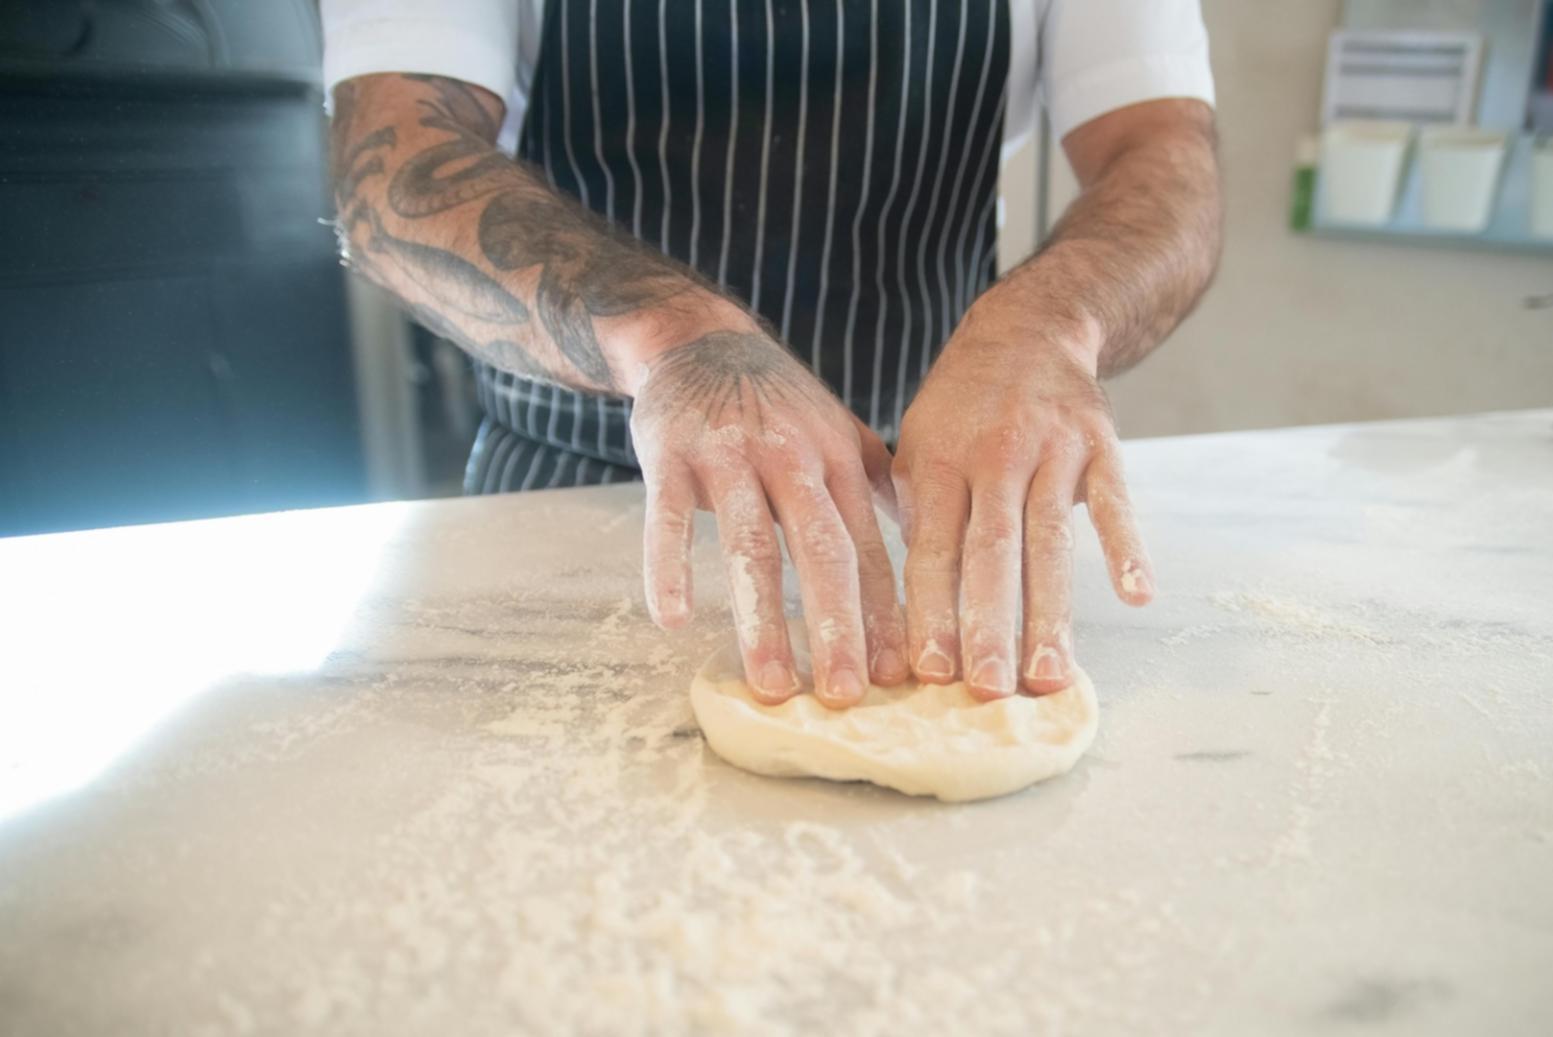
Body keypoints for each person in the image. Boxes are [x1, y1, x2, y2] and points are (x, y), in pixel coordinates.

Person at [320, 0, 1222, 709]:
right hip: (570, 492)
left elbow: (1163, 155)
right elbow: (393, 164)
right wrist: (671, 337)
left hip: (925, 510)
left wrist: (1052, 323)